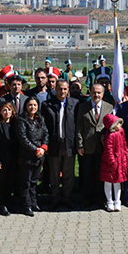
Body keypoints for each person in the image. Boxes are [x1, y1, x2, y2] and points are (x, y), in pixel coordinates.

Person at [41, 79, 78, 210]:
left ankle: (66, 198)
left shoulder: (75, 103)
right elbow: (43, 126)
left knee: (68, 174)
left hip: (69, 144)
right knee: (54, 174)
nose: (62, 91)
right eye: (60, 89)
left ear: (68, 90)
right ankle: (55, 199)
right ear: (55, 89)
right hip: (54, 144)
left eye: (65, 89)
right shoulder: (47, 105)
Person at [76, 84, 113, 207]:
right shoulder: (83, 107)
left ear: (102, 94)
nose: (96, 95)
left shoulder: (109, 107)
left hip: (103, 147)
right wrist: (80, 145)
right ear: (90, 93)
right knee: (87, 174)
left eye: (99, 93)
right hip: (87, 146)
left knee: (100, 174)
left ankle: (100, 198)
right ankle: (87, 198)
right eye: (94, 92)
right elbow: (79, 128)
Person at [15, 96, 48, 216]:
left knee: (34, 181)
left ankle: (34, 203)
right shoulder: (21, 120)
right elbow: (23, 139)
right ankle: (26, 205)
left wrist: (43, 148)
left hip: (39, 156)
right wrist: (35, 149)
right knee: (26, 182)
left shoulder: (40, 119)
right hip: (27, 156)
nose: (32, 107)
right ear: (26, 106)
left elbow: (46, 134)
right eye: (30, 105)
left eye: (34, 105)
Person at [0, 102, 18, 216]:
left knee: (10, 181)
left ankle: (8, 201)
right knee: (1, 182)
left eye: (9, 110)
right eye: (4, 110)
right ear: (0, 112)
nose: (7, 112)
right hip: (1, 159)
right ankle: (1, 204)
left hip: (13, 158)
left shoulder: (14, 124)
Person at [100, 114, 128, 212]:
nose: (120, 125)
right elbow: (108, 150)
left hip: (121, 160)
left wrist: (126, 153)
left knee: (118, 182)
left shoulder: (121, 132)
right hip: (110, 163)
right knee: (108, 182)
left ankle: (117, 201)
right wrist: (112, 161)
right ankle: (109, 201)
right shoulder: (109, 135)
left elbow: (125, 143)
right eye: (117, 123)